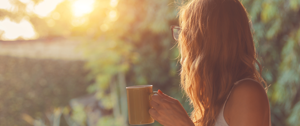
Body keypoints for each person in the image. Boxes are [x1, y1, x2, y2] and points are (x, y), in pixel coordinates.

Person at [149, 0, 271, 126]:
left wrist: (182, 124)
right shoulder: (211, 106)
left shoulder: (248, 93)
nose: (183, 45)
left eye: (186, 34)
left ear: (206, 42)